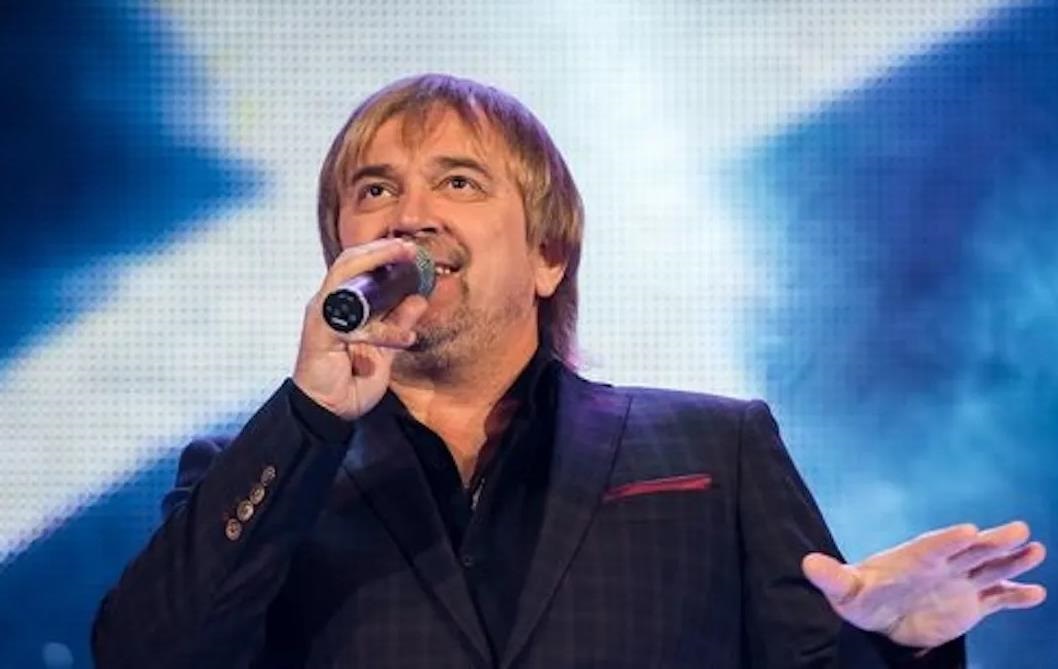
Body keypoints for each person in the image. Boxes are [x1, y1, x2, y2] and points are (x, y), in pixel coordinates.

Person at [92, 74, 1046, 669]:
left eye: (458, 181)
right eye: (375, 189)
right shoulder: (261, 467)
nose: (409, 215)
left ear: (548, 255)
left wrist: (897, 644)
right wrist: (310, 417)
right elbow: (143, 653)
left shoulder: (717, 447)